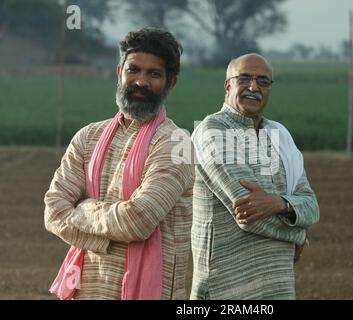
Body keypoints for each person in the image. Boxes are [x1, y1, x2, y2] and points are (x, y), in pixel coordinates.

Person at [44, 28, 194, 300]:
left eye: (154, 74)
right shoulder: (88, 137)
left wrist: (82, 209)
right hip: (86, 288)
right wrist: (105, 234)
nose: (141, 82)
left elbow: (138, 220)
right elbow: (53, 211)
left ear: (171, 83)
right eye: (133, 70)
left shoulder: (176, 145)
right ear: (119, 73)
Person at [190, 53, 320, 300]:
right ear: (228, 85)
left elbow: (312, 206)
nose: (254, 87)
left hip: (278, 287)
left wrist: (279, 203)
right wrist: (298, 233)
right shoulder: (214, 132)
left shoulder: (279, 135)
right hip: (226, 288)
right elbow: (250, 216)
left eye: (263, 81)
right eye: (245, 79)